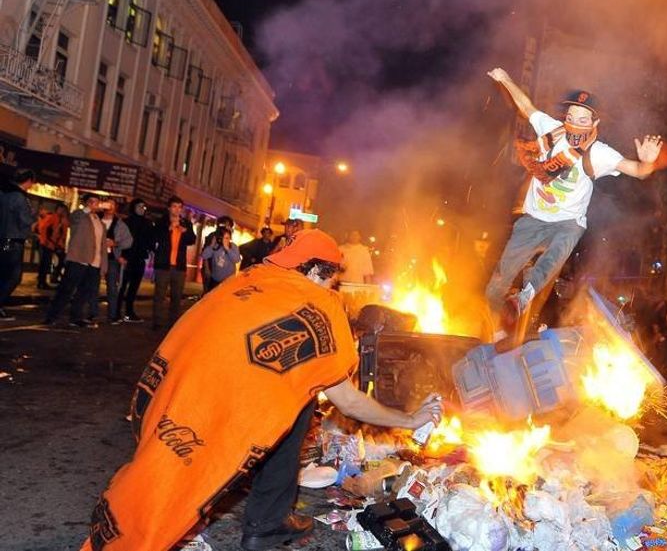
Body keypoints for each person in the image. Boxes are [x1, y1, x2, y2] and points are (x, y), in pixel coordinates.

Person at [78, 230, 443, 551]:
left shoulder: (251, 279)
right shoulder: (317, 305)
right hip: (219, 404)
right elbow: (347, 400)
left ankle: (267, 521)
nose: (333, 289)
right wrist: (409, 420)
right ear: (318, 271)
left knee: (294, 407)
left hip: (187, 388)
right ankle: (261, 523)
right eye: (333, 279)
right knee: (171, 485)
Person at [484, 67, 667, 338]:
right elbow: (527, 107)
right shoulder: (552, 132)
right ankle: (500, 332)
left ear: (594, 123)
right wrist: (506, 80)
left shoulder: (599, 153)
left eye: (583, 120)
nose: (575, 125)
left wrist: (648, 163)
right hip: (533, 219)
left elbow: (637, 171)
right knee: (494, 288)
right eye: (571, 118)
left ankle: (523, 298)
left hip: (567, 223)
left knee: (554, 256)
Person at [43, 194, 108, 328]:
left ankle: (76, 317)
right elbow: (73, 218)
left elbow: (101, 245)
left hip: (94, 262)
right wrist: (87, 209)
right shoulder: (80, 215)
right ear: (86, 203)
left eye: (97, 202)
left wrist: (103, 264)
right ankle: (52, 316)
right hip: (79, 258)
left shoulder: (100, 222)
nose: (95, 204)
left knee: (84, 291)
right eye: (92, 201)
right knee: (66, 288)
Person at [151, 196, 196, 330]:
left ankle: (173, 323)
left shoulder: (186, 223)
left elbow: (192, 240)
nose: (177, 210)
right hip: (163, 264)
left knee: (176, 296)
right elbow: (155, 237)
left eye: (179, 207)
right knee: (159, 295)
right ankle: (157, 322)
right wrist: (169, 228)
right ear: (169, 208)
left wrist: (185, 231)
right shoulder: (161, 222)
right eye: (174, 206)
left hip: (179, 266)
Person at [0, 168, 37, 321]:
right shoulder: (20, 198)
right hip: (14, 241)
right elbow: (25, 221)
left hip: (3, 239)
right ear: (28, 181)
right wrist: (35, 220)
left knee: (3, 273)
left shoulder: (4, 194)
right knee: (13, 276)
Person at [91, 199, 133, 324]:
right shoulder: (96, 219)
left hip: (111, 258)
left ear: (115, 207)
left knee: (112, 287)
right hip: (95, 256)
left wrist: (115, 243)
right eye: (107, 204)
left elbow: (128, 241)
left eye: (112, 204)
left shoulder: (119, 224)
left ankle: (112, 315)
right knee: (92, 285)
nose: (109, 207)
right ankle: (92, 313)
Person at [117, 199, 154, 323]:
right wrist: (120, 255)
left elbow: (150, 240)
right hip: (126, 258)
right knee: (122, 287)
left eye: (144, 207)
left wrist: (149, 250)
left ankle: (129, 312)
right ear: (133, 207)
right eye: (139, 206)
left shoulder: (147, 223)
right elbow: (119, 239)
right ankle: (116, 312)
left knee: (133, 287)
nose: (142, 209)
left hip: (139, 259)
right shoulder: (126, 222)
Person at [36, 203, 68, 289]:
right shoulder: (52, 218)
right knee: (45, 263)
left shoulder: (60, 219)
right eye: (61, 210)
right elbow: (45, 230)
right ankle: (42, 282)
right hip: (48, 244)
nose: (62, 211)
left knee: (49, 262)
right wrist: (47, 241)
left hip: (53, 244)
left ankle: (45, 280)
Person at [202, 216, 235, 292]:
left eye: (229, 226)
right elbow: (205, 254)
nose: (228, 227)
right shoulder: (213, 236)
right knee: (209, 292)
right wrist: (207, 268)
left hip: (222, 271)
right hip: (211, 267)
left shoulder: (228, 237)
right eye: (226, 225)